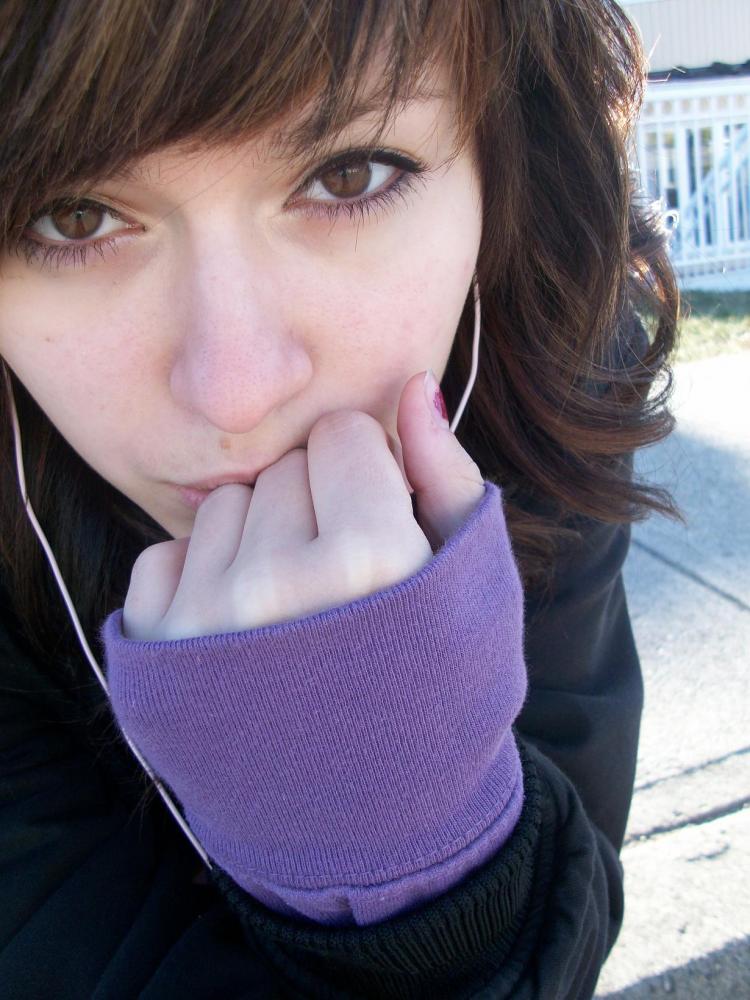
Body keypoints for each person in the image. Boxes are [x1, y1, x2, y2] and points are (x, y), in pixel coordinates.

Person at [0, 1, 682, 997]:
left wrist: (426, 884)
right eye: (73, 216)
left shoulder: (550, 371)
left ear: (505, 162)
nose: (235, 392)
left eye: (349, 174)